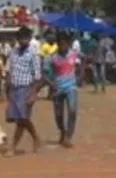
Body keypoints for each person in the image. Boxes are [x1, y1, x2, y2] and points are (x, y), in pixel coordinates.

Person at [5, 27, 42, 155]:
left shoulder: (33, 53)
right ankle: (36, 137)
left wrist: (33, 94)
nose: (23, 40)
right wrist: (8, 90)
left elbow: (37, 76)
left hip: (26, 88)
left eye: (26, 38)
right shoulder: (13, 52)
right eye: (21, 38)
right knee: (18, 118)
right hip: (14, 88)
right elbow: (8, 70)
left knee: (22, 118)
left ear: (30, 39)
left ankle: (13, 147)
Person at [42, 33, 82, 148]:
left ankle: (68, 136)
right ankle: (62, 131)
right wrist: (52, 84)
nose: (63, 46)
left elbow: (81, 63)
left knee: (72, 110)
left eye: (65, 43)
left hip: (71, 86)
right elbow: (45, 74)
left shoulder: (74, 55)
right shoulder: (52, 58)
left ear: (69, 44)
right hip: (57, 88)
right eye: (60, 44)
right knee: (58, 115)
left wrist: (80, 77)